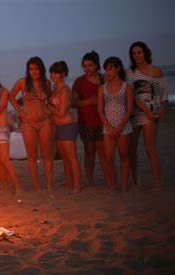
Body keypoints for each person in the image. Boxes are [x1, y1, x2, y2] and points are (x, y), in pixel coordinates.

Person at [127, 41, 168, 190]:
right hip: (135, 114)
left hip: (151, 115)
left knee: (150, 149)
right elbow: (132, 96)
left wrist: (161, 109)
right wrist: (146, 110)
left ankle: (157, 183)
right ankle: (136, 180)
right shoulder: (130, 73)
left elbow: (163, 92)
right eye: (133, 53)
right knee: (131, 150)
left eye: (139, 52)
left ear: (145, 53)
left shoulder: (156, 71)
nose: (136, 55)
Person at [9, 57, 53, 193]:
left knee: (47, 156)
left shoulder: (46, 83)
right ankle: (36, 187)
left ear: (41, 69)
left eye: (36, 68)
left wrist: (48, 110)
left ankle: (49, 186)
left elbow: (51, 99)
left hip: (44, 122)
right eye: (31, 69)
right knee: (32, 157)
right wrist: (20, 111)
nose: (34, 72)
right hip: (28, 124)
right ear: (28, 70)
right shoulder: (22, 82)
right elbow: (11, 96)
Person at [72, 51, 110, 186]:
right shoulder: (79, 81)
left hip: (103, 121)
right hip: (86, 122)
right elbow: (73, 103)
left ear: (96, 65)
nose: (87, 68)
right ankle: (89, 181)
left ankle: (109, 180)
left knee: (103, 152)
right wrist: (88, 102)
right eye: (84, 66)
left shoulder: (104, 79)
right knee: (89, 152)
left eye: (90, 65)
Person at [98, 57, 133, 192]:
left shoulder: (126, 87)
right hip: (108, 127)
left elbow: (129, 110)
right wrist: (108, 127)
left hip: (123, 126)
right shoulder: (102, 88)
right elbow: (100, 109)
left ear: (118, 69)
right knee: (108, 157)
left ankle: (123, 185)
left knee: (124, 156)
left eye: (110, 69)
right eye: (106, 69)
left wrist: (119, 128)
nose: (107, 72)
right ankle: (112, 184)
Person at [47, 61, 81, 193]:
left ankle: (76, 185)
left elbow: (61, 112)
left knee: (72, 157)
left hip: (67, 125)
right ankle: (69, 183)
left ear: (63, 74)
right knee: (64, 158)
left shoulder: (65, 89)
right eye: (52, 72)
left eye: (56, 73)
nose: (53, 75)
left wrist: (49, 107)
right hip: (58, 127)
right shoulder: (54, 88)